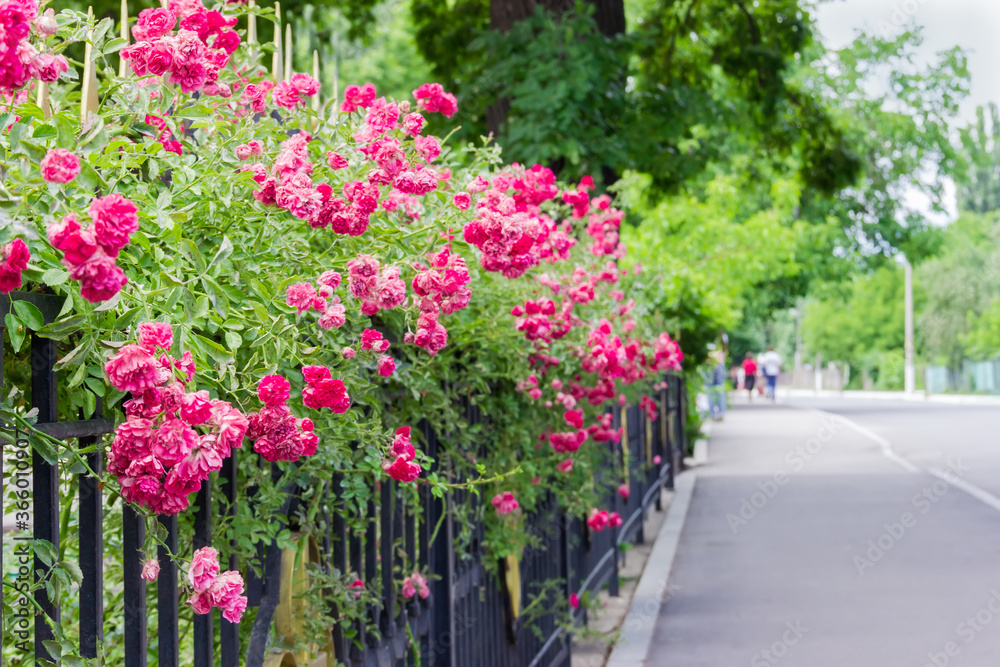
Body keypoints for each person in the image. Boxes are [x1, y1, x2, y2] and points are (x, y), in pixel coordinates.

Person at [706, 349, 727, 420]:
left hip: (715, 366)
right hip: (717, 366)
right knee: (718, 393)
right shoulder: (718, 352)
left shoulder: (713, 352)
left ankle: (714, 414)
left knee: (713, 393)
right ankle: (718, 414)